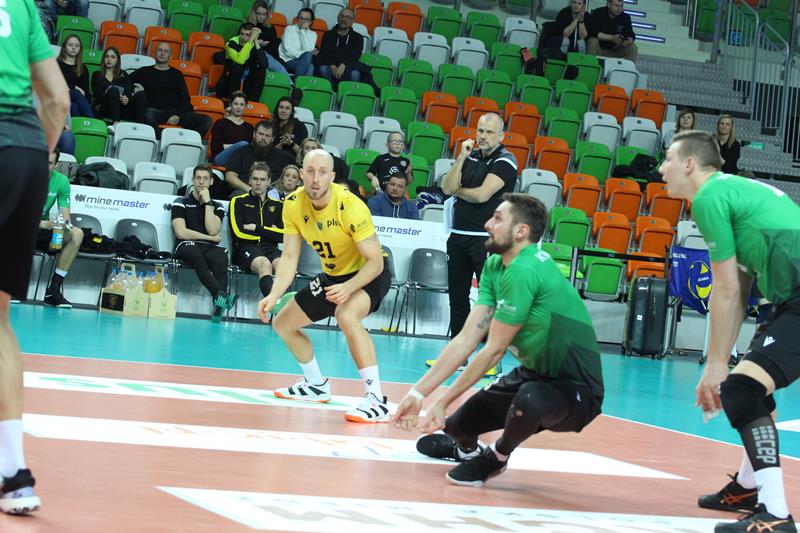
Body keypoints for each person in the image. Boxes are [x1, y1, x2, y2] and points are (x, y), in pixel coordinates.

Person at [393, 193, 604, 487]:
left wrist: (441, 401)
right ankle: (466, 451)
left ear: (521, 231)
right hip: (534, 374)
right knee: (456, 426)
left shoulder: (525, 269)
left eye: (497, 219)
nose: (487, 224)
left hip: (577, 389)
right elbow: (466, 339)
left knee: (529, 399)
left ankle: (497, 457)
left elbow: (494, 350)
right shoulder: (495, 265)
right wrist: (418, 394)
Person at [660, 130, 800, 532]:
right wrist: (719, 362)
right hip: (784, 298)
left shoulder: (709, 196)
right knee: (752, 389)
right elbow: (737, 287)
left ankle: (776, 515)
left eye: (668, 159)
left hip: (795, 296)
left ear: (690, 164)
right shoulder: (732, 192)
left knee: (740, 389)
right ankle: (748, 487)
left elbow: (724, 290)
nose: (662, 168)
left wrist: (717, 366)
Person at [257, 149, 392, 423]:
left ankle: (377, 400)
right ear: (301, 174)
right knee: (282, 324)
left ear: (331, 176)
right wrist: (274, 294)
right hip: (333, 277)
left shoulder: (351, 206)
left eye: (322, 172)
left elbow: (375, 263)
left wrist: (350, 287)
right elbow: (290, 257)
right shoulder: (293, 204)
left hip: (368, 274)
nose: (315, 178)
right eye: (310, 171)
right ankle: (315, 385)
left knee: (346, 315)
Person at [0, 0, 70, 514]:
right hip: (26, 151)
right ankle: (14, 474)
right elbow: (58, 100)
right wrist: (38, 156)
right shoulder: (23, 4)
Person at [441, 113, 517, 340]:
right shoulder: (470, 156)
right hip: (457, 236)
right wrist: (461, 158)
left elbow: (482, 195)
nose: (483, 136)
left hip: (486, 240)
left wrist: (458, 191)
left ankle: (490, 351)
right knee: (457, 298)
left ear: (501, 136)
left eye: (489, 132)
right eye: (480, 131)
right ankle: (457, 348)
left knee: (490, 300)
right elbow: (447, 188)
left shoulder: (506, 160)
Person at [171, 165, 236, 322]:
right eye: (198, 178)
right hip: (185, 245)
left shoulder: (217, 206)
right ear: (193, 180)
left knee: (221, 257)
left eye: (205, 178)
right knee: (195, 253)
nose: (201, 182)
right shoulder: (181, 201)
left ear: (211, 181)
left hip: (208, 246)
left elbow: (213, 230)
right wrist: (210, 238)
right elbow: (181, 232)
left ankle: (217, 307)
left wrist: (207, 203)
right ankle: (220, 294)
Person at [35, 149, 86, 308]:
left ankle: (53, 290)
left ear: (56, 165)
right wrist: (44, 224)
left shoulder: (62, 181)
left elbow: (64, 214)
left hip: (40, 230)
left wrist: (62, 223)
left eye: (49, 163)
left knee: (77, 234)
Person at [131, 43, 213, 138]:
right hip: (157, 112)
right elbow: (124, 80)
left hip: (178, 112)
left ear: (170, 56)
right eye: (160, 50)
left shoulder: (177, 74)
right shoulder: (144, 71)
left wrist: (177, 115)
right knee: (147, 113)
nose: (162, 53)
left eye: (166, 51)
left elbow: (186, 99)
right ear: (154, 53)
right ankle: (163, 139)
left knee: (206, 120)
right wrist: (134, 88)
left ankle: (187, 141)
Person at [229, 162, 284, 297]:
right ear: (249, 180)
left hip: (271, 248)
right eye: (255, 179)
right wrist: (270, 232)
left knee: (284, 266)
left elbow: (284, 236)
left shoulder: (278, 206)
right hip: (246, 247)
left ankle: (282, 305)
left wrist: (256, 228)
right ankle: (273, 303)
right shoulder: (238, 201)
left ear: (269, 182)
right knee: (264, 264)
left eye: (262, 179)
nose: (258, 183)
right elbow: (237, 233)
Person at [224, 120, 295, 196]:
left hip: (273, 195)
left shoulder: (282, 156)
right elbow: (229, 176)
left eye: (267, 136)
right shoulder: (242, 151)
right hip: (245, 192)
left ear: (272, 138)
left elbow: (298, 172)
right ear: (254, 134)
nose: (263, 138)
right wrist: (249, 190)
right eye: (260, 134)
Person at [91, 46, 148, 126]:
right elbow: (98, 95)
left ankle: (140, 126)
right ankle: (116, 124)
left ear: (117, 60)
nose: (109, 59)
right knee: (113, 90)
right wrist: (115, 94)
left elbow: (128, 91)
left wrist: (126, 98)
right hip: (106, 109)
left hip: (123, 108)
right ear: (103, 59)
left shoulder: (123, 74)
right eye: (107, 56)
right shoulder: (97, 75)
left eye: (112, 57)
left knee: (141, 94)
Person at [217, 22, 267, 102]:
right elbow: (240, 60)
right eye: (242, 34)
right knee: (237, 67)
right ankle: (234, 100)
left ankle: (253, 102)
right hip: (228, 84)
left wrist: (256, 42)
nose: (243, 37)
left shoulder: (252, 43)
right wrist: (251, 40)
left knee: (261, 71)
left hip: (246, 82)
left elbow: (264, 64)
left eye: (247, 35)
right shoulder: (231, 44)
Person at [316, 8, 364, 88]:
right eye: (342, 16)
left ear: (352, 21)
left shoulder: (358, 37)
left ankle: (346, 92)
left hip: (348, 66)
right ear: (338, 17)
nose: (343, 19)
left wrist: (344, 64)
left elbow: (356, 55)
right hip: (330, 65)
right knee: (323, 69)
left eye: (348, 17)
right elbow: (324, 53)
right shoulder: (328, 34)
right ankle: (330, 90)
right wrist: (332, 66)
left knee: (355, 74)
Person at [210, 91, 254, 166]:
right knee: (244, 144)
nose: (238, 107)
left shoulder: (250, 127)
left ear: (245, 107)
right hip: (221, 158)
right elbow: (215, 146)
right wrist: (236, 147)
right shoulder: (220, 122)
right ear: (230, 105)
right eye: (235, 104)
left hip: (241, 159)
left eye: (242, 105)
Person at [247, 0, 288, 75]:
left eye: (264, 14)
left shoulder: (270, 28)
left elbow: (274, 48)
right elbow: (242, 43)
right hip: (253, 55)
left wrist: (267, 44)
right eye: (259, 14)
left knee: (284, 65)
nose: (261, 17)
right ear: (254, 13)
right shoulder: (248, 26)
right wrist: (256, 43)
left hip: (270, 55)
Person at [57, 35, 93, 118]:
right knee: (75, 92)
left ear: (80, 49)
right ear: (64, 47)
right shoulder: (56, 64)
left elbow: (86, 92)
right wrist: (73, 87)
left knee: (74, 106)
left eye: (77, 46)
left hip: (75, 101)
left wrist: (83, 95)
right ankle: (91, 119)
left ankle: (79, 125)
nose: (74, 48)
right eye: (70, 45)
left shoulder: (83, 68)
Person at [279, 8, 317, 77]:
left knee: (310, 65)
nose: (303, 21)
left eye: (306, 19)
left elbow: (308, 50)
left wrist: (302, 32)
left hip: (303, 61)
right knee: (309, 65)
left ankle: (296, 82)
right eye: (301, 18)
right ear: (297, 18)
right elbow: (288, 52)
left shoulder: (313, 34)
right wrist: (304, 55)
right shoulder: (289, 29)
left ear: (311, 22)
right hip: (287, 60)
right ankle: (298, 82)